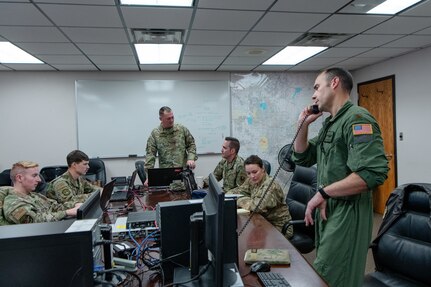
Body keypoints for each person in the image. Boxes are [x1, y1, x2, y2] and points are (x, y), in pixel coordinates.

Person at [291, 67, 389, 287]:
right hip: (330, 209)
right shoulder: (330, 123)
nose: (313, 94)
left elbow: (372, 173)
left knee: (331, 276)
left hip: (348, 212)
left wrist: (323, 193)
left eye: (317, 87)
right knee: (327, 274)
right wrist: (302, 124)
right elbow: (303, 157)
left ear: (334, 83)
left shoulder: (356, 119)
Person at [227, 155, 293, 239]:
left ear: (263, 169)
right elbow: (237, 191)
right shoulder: (252, 180)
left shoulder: (270, 185)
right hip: (262, 220)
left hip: (279, 226)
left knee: (248, 239)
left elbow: (256, 206)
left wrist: (238, 200)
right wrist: (232, 196)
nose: (252, 176)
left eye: (255, 172)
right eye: (248, 173)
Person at [2, 161, 81, 224]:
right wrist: (66, 213)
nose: (39, 180)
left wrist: (75, 205)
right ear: (19, 178)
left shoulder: (34, 195)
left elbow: (55, 207)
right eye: (34, 175)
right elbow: (35, 221)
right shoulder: (13, 203)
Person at [144, 106, 197, 186]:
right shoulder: (155, 134)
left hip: (183, 172)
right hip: (166, 174)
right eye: (168, 118)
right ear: (161, 119)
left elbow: (191, 145)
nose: (171, 120)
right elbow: (150, 155)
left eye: (172, 117)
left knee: (186, 196)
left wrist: (191, 158)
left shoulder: (181, 129)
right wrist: (149, 176)